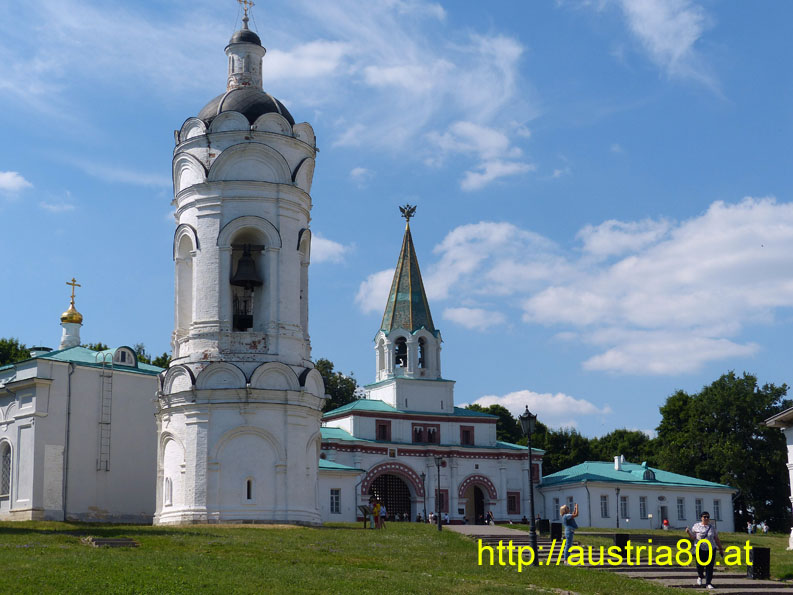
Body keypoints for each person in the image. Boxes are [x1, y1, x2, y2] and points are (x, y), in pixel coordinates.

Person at [686, 511, 724, 590]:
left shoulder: (712, 527)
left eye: (707, 517)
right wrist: (688, 532)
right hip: (699, 548)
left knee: (710, 566)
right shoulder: (696, 526)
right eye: (704, 517)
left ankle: (708, 583)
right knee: (699, 565)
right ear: (701, 518)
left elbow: (716, 538)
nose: (706, 518)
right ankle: (700, 576)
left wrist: (720, 548)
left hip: (711, 549)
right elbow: (693, 537)